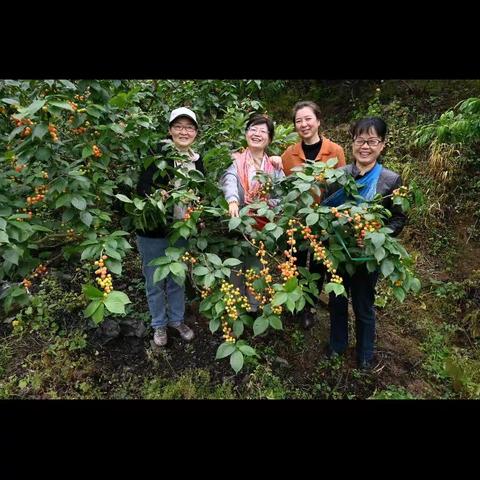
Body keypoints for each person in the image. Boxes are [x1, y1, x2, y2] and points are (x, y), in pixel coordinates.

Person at [322, 117, 407, 370]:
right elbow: (326, 211)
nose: (365, 146)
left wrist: (377, 234)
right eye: (360, 140)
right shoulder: (340, 175)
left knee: (363, 304)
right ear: (353, 143)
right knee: (337, 301)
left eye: (372, 141)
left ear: (382, 145)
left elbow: (399, 218)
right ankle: (337, 345)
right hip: (338, 252)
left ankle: (365, 354)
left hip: (368, 256)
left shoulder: (391, 180)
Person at [272, 100, 346, 329]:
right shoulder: (289, 154)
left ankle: (309, 307)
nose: (303, 124)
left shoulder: (334, 152)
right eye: (298, 121)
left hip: (322, 222)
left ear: (318, 121)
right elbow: (281, 186)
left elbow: (341, 188)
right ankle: (291, 300)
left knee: (317, 266)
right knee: (293, 261)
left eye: (308, 119)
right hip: (295, 221)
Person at [136, 107, 202, 347]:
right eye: (179, 127)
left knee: (177, 279)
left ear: (195, 132)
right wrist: (158, 194)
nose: (184, 132)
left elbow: (200, 192)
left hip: (180, 230)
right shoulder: (157, 154)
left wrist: (197, 207)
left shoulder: (196, 160)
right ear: (170, 130)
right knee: (154, 281)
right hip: (153, 233)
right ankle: (159, 325)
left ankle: (176, 320)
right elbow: (141, 188)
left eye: (189, 127)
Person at [220, 114, 284, 313]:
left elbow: (283, 194)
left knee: (256, 266)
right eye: (253, 129)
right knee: (235, 267)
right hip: (238, 224)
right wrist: (232, 200)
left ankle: (253, 307)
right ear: (246, 133)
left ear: (270, 139)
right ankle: (236, 308)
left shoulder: (274, 166)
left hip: (263, 226)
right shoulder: (236, 160)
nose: (257, 134)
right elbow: (229, 179)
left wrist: (266, 205)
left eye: (262, 131)